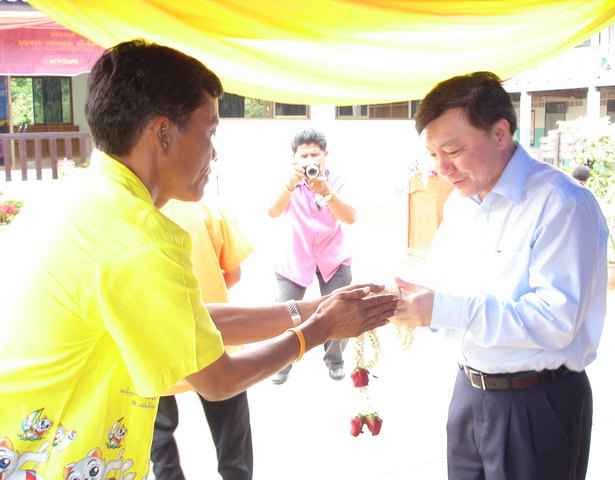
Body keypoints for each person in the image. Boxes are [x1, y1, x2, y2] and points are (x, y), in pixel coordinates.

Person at [0, 39, 398, 479]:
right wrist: (320, 329)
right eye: (209, 133)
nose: (214, 152)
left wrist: (314, 308)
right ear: (163, 133)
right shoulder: (139, 239)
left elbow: (189, 320)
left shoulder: (86, 197)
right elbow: (218, 379)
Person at [393, 71, 608, 480]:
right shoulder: (461, 204)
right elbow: (445, 287)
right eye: (433, 155)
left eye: (453, 150)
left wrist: (442, 309)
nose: (442, 168)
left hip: (537, 401)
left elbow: (556, 320)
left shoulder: (561, 203)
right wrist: (406, 300)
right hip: (469, 392)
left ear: (499, 133)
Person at [152, 199, 254, 479]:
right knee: (233, 443)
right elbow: (232, 273)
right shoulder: (204, 209)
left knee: (159, 441)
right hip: (214, 338)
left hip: (152, 344)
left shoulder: (125, 213)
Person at [267, 128, 356, 385]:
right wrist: (289, 187)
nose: (309, 161)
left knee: (340, 310)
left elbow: (350, 217)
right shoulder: (287, 181)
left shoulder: (337, 181)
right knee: (285, 314)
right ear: (293, 158)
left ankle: (335, 360)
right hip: (295, 258)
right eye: (303, 156)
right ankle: (282, 362)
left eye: (315, 155)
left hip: (333, 257)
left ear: (326, 155)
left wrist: (326, 191)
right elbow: (272, 212)